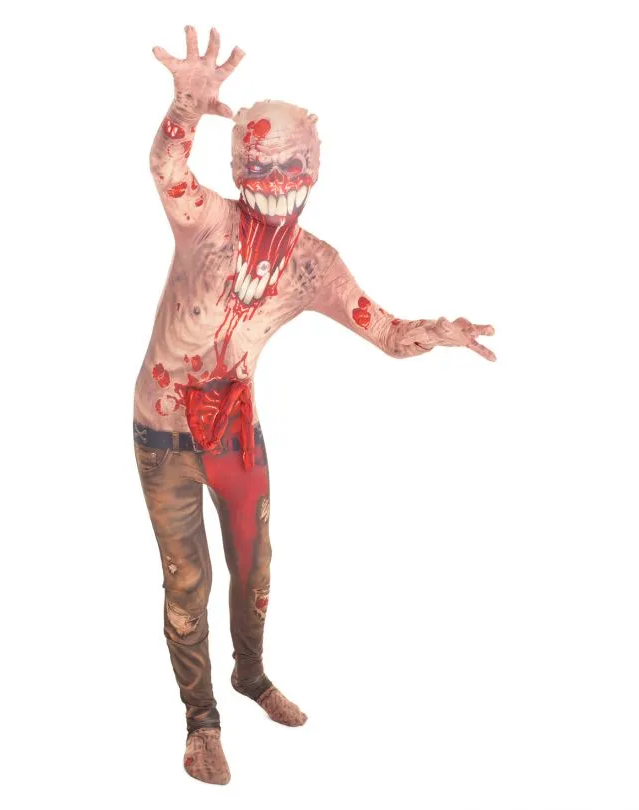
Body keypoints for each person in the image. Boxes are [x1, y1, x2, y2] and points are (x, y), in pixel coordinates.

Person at [133, 25, 496, 785]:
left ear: (314, 168)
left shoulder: (313, 265)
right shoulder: (207, 220)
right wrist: (187, 105)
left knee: (255, 565)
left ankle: (251, 675)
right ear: (239, 169)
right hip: (162, 427)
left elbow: (385, 332)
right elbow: (167, 167)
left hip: (235, 430)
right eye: (259, 164)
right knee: (186, 580)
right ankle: (201, 722)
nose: (274, 178)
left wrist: (438, 331)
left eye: (289, 163)